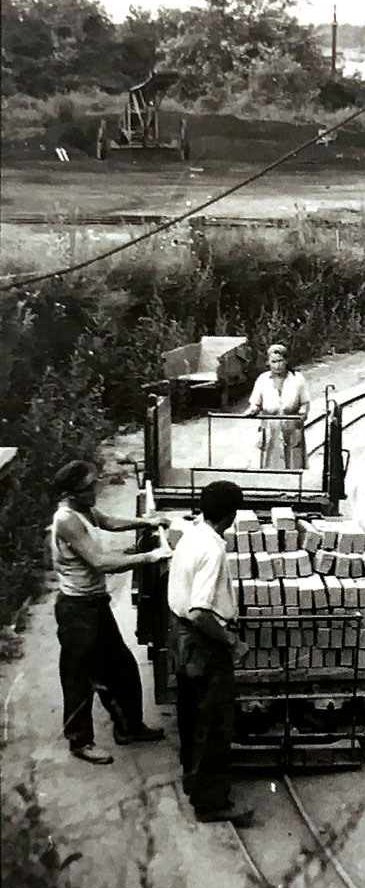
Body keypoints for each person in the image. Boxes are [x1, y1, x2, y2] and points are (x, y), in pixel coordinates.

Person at [50, 460, 173, 765]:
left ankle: (129, 727)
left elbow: (110, 523)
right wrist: (151, 556)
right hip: (77, 610)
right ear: (71, 494)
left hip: (96, 604)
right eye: (89, 487)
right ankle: (80, 742)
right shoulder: (66, 520)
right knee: (81, 677)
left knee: (123, 667)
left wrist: (146, 522)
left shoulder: (86, 509)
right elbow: (101, 563)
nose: (95, 490)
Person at [167, 480, 254, 826]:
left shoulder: (192, 534)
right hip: (203, 642)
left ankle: (193, 780)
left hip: (181, 637)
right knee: (215, 721)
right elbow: (200, 611)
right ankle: (211, 802)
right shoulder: (214, 550)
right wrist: (233, 642)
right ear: (231, 516)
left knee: (191, 712)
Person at [246, 343, 310, 470]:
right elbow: (255, 403)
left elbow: (305, 403)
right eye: (273, 362)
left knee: (293, 464)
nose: (277, 365)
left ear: (286, 361)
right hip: (270, 429)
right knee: (271, 464)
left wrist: (301, 416)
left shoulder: (298, 379)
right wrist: (252, 410)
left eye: (280, 361)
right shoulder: (263, 379)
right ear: (268, 362)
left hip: (291, 428)